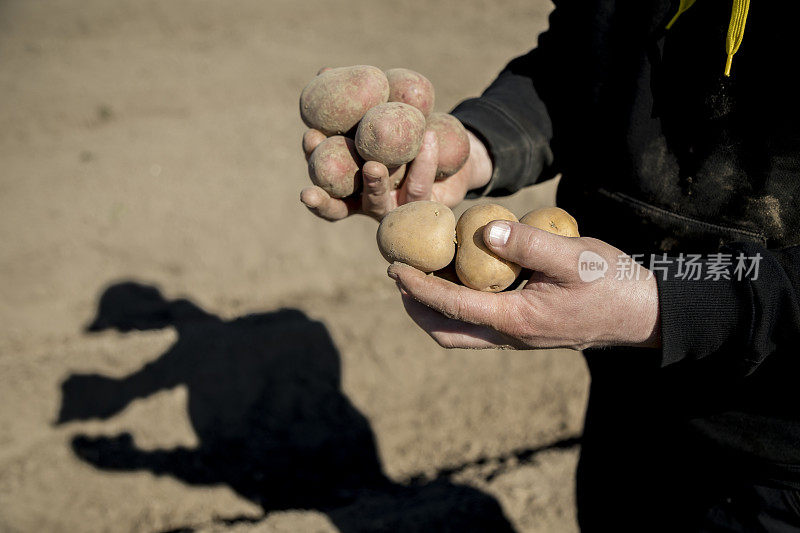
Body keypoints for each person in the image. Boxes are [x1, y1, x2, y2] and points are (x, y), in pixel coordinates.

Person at [301, 1, 800, 530]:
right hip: (627, 400)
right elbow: (580, 61)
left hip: (781, 451)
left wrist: (664, 303)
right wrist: (475, 148)